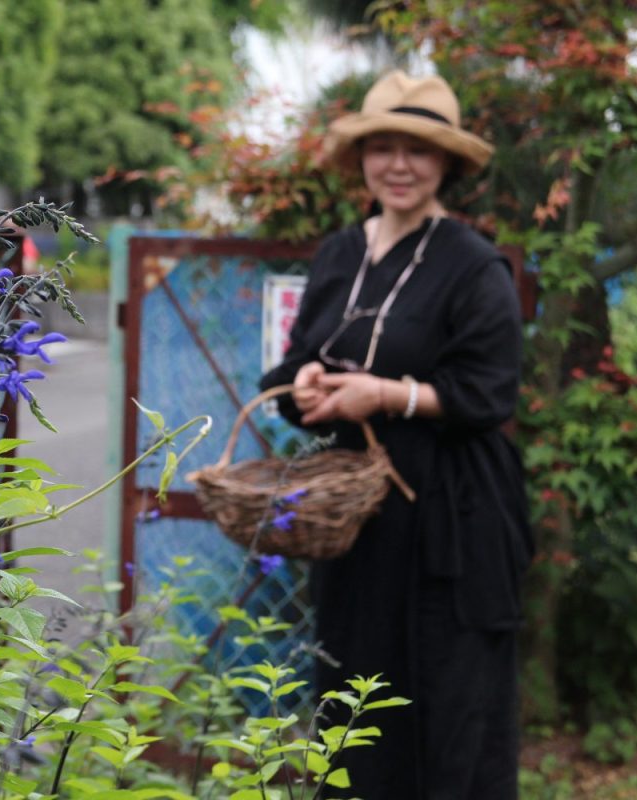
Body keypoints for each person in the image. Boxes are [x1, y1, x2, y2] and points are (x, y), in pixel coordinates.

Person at [259, 71, 534, 799]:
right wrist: (308, 386)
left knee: (448, 707)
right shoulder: (339, 253)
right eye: (382, 147)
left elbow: (489, 392)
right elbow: (292, 366)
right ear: (361, 160)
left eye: (417, 149)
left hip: (454, 521)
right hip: (360, 522)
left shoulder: (475, 265)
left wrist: (385, 394)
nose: (399, 165)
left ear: (447, 162)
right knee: (353, 698)